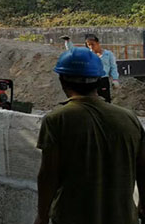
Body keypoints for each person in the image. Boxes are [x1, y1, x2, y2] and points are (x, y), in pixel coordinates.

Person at [34, 47, 145, 224]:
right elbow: (143, 168)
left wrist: (42, 216)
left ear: (62, 81)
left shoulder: (57, 120)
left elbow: (48, 175)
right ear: (99, 80)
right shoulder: (129, 118)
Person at [60, 34, 119, 102]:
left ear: (97, 43)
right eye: (89, 45)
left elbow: (113, 67)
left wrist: (115, 79)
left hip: (103, 80)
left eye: (92, 44)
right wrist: (68, 42)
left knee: (105, 100)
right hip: (91, 80)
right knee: (91, 100)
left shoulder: (108, 54)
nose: (91, 46)